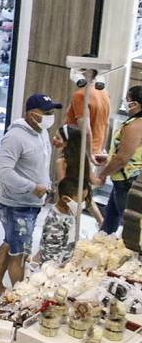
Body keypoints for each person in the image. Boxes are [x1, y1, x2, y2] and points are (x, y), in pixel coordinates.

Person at [0, 93, 59, 296]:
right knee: (20, 253)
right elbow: (1, 171)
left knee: (11, 242)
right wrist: (32, 187)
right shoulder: (15, 137)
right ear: (31, 114)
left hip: (30, 203)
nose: (51, 116)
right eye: (47, 113)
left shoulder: (41, 132)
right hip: (16, 205)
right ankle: (20, 297)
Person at [92, 85, 142, 234]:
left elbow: (122, 158)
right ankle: (103, 242)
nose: (125, 103)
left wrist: (102, 175)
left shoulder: (135, 126)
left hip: (127, 182)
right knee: (111, 217)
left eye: (127, 100)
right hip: (123, 179)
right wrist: (108, 158)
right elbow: (133, 153)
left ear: (135, 103)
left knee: (131, 226)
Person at [53, 124, 103, 225]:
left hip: (68, 199)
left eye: (58, 138)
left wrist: (57, 207)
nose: (54, 139)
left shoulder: (62, 161)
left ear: (67, 143)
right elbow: (94, 181)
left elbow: (61, 187)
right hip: (82, 194)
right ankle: (101, 222)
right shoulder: (83, 158)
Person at [38, 177, 88, 266]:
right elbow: (52, 254)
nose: (83, 202)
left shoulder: (69, 210)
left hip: (68, 259)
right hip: (54, 267)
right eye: (81, 199)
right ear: (65, 199)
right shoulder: (55, 222)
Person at [65, 71, 111, 156]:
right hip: (95, 150)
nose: (74, 73)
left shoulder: (80, 95)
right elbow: (107, 124)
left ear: (89, 72)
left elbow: (85, 130)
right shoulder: (105, 93)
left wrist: (89, 154)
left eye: (78, 70)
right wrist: (101, 149)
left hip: (80, 151)